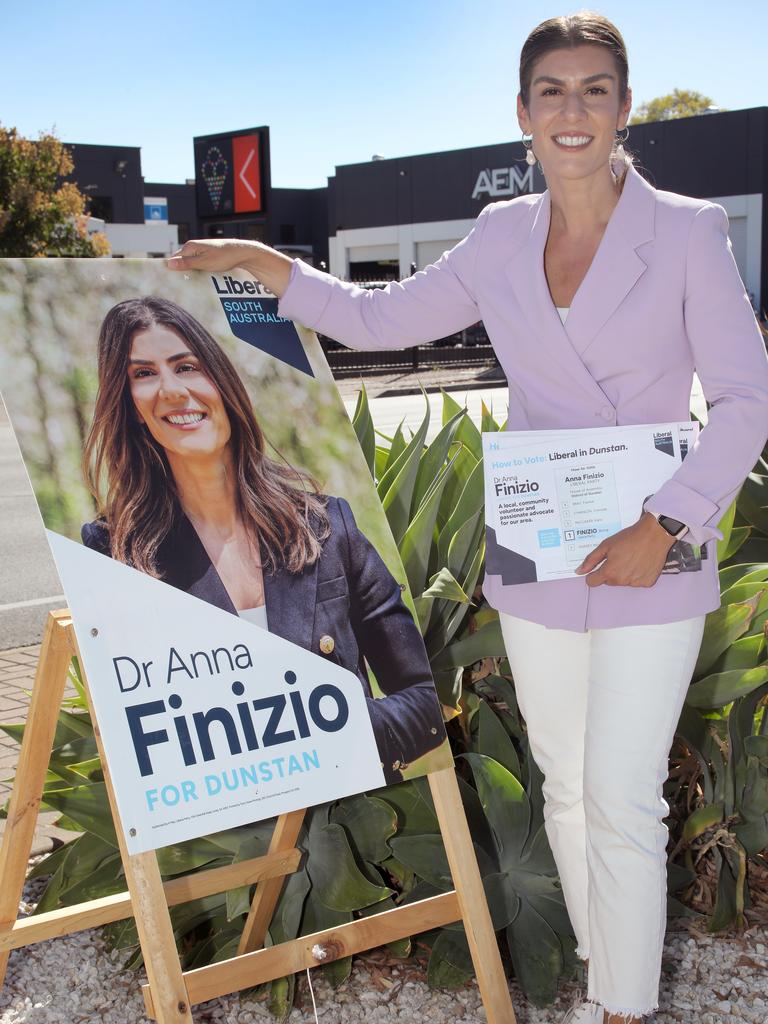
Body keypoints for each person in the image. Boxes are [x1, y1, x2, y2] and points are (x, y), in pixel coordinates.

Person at [166, 14, 768, 1023]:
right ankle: (603, 981)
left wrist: (664, 524)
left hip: (650, 556)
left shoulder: (690, 231)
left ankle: (624, 1009)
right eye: (551, 91)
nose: (571, 111)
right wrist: (261, 262)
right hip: (541, 552)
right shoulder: (499, 237)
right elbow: (373, 317)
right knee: (566, 789)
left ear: (623, 107)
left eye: (592, 89)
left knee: (622, 794)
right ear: (522, 114)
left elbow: (746, 400)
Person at [80, 296, 446, 785]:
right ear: (130, 407)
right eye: (143, 374)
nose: (171, 390)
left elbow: (422, 696)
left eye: (186, 366)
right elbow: (137, 733)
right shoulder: (115, 552)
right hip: (231, 831)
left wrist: (335, 732)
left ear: (221, 382)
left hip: (359, 812)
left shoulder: (325, 523)